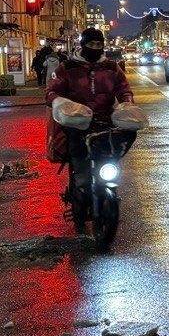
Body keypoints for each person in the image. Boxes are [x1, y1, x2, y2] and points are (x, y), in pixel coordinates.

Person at [46, 27, 136, 234]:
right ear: (83, 45)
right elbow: (51, 91)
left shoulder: (112, 68)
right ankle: (79, 216)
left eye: (98, 45)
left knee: (109, 161)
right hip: (77, 127)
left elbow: (124, 90)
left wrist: (127, 105)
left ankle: (105, 199)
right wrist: (59, 103)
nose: (94, 48)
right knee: (83, 176)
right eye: (91, 44)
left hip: (104, 125)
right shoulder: (66, 68)